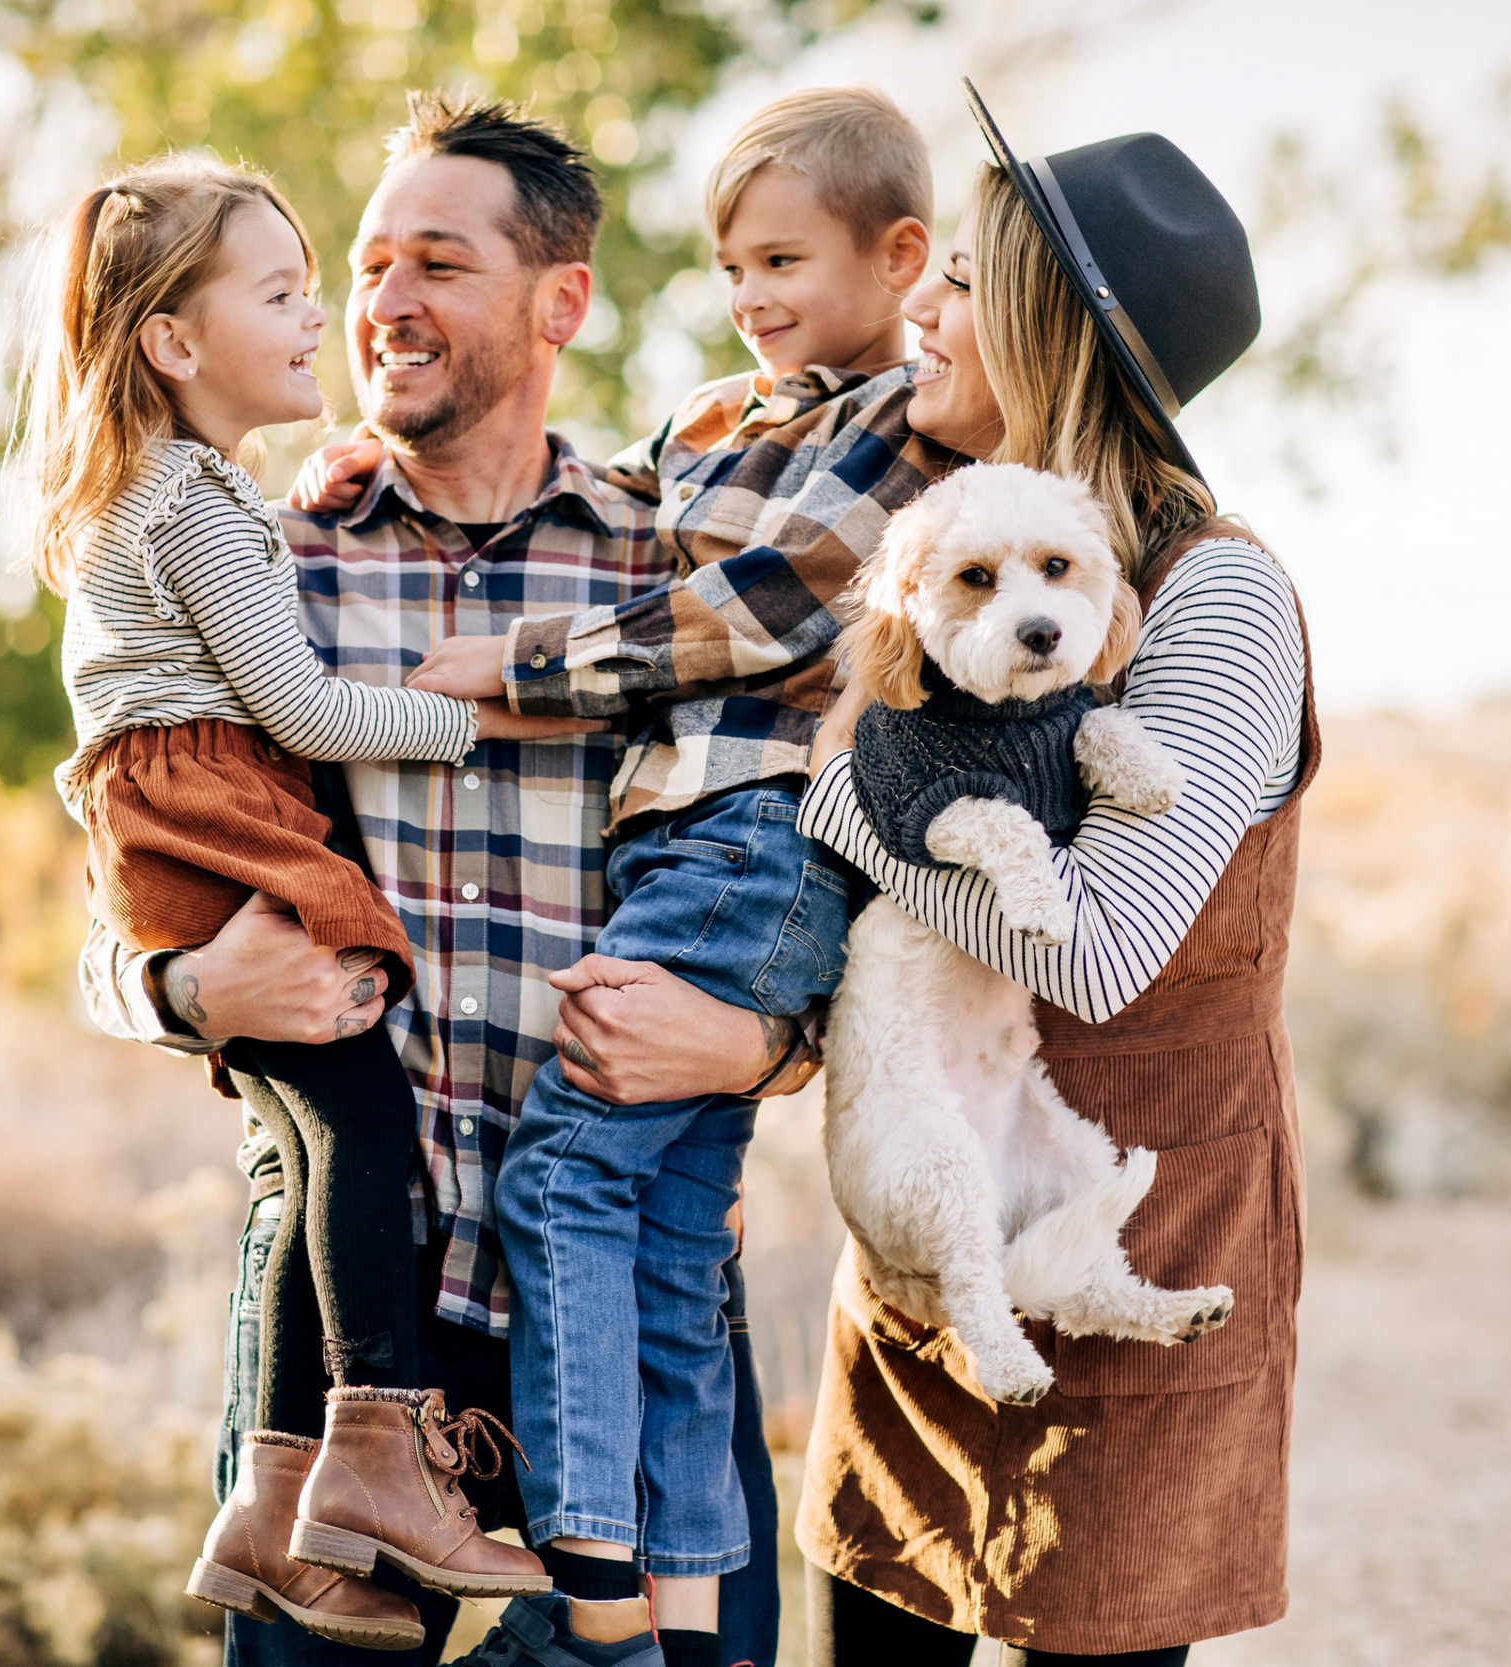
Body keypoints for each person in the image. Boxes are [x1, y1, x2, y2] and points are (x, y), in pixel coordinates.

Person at [75, 95, 802, 1667]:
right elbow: (116, 889)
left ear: (561, 303)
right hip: (356, 1345)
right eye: (367, 265)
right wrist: (183, 988)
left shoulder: (673, 582)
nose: (384, 303)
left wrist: (763, 1047)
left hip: (626, 1300)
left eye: (440, 264)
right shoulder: (266, 561)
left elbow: (809, 887)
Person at [394, 85, 952, 1667]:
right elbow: (603, 510)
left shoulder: (903, 429)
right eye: (729, 268)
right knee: (670, 1229)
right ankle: (684, 1608)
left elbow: (758, 619)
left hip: (759, 835)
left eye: (785, 261)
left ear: (899, 255)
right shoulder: (712, 417)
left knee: (568, 1173)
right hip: (672, 844)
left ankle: (591, 1577)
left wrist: (517, 662)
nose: (755, 298)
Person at [18, 156, 593, 1647]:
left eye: (432, 266)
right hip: (218, 815)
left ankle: (279, 1504)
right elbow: (298, 702)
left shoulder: (208, 501)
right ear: (172, 341)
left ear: (557, 301)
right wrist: (479, 718)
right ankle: (379, 1449)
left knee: (313, 1128)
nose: (337, 312)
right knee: (356, 1121)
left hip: (568, 1283)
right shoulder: (215, 509)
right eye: (295, 288)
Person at [792, 84, 1311, 1664]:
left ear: (1050, 330)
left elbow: (1095, 951)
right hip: (935, 1225)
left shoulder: (1217, 600)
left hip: (1124, 1233)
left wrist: (846, 798)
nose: (921, 308)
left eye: (959, 279)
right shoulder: (943, 539)